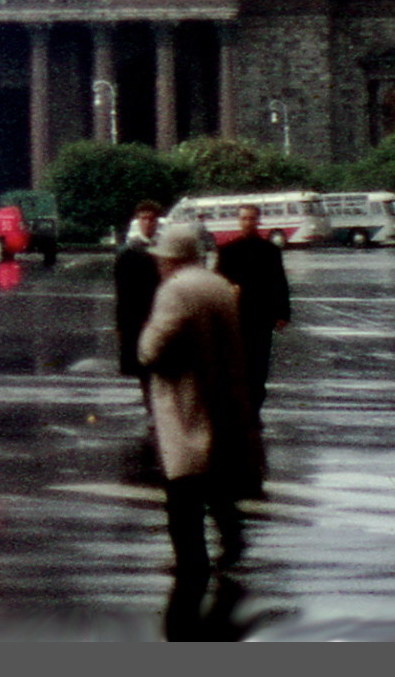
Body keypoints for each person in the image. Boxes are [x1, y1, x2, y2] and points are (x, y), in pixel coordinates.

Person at [138, 224, 255, 581]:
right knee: (215, 470)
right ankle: (231, 538)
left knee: (183, 483)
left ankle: (191, 560)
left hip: (183, 393)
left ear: (172, 259)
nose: (159, 265)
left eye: (161, 259)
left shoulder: (175, 290)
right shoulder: (218, 284)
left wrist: (145, 347)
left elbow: (154, 346)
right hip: (221, 390)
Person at [213, 204, 291, 426]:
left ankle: (254, 410)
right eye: (244, 218)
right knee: (236, 366)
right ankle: (237, 409)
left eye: (251, 219)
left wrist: (282, 313)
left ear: (258, 221)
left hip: (261, 318)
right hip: (234, 318)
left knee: (259, 368)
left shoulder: (270, 251)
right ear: (239, 221)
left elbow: (279, 283)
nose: (247, 222)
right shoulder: (227, 251)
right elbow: (216, 282)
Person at [114, 201, 165, 411]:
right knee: (143, 366)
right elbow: (122, 290)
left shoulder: (164, 249)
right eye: (143, 219)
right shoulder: (128, 252)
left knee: (164, 364)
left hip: (162, 313)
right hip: (136, 316)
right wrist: (122, 322)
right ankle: (150, 408)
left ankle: (162, 407)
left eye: (151, 219)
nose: (147, 223)